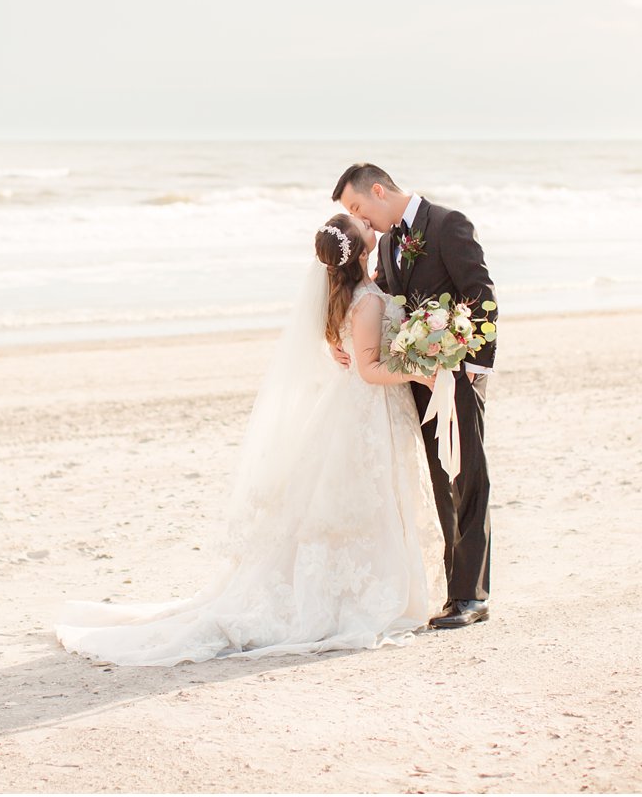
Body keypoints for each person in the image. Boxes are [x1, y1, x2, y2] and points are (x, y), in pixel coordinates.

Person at [55, 213, 441, 666]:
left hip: (351, 408)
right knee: (364, 501)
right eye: (366, 231)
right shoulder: (367, 301)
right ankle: (363, 594)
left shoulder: (342, 295)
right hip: (365, 412)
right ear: (358, 252)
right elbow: (372, 369)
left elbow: (347, 349)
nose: (373, 229)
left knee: (350, 503)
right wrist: (423, 372)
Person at [332, 162, 497, 629]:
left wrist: (468, 370)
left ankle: (472, 596)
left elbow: (481, 298)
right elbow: (381, 304)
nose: (361, 220)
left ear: (379, 190)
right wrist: (340, 337)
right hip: (415, 380)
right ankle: (454, 591)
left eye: (359, 207)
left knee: (469, 477)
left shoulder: (448, 225)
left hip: (457, 377)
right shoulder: (386, 243)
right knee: (440, 479)